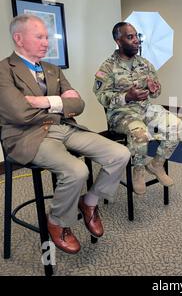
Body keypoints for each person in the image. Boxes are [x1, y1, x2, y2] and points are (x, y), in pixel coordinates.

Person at [0, 14, 131, 254]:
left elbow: (79, 105)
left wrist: (43, 101)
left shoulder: (52, 69)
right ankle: (57, 222)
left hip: (65, 127)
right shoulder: (3, 70)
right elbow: (19, 113)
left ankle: (89, 202)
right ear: (18, 38)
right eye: (39, 36)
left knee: (120, 153)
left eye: (47, 37)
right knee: (77, 170)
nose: (45, 42)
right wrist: (61, 103)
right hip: (28, 136)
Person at [93, 22, 182, 195]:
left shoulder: (145, 64)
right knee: (140, 133)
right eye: (130, 37)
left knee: (177, 126)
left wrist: (154, 88)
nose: (136, 41)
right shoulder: (107, 67)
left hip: (145, 109)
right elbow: (101, 96)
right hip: (121, 114)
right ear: (118, 41)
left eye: (137, 36)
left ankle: (156, 164)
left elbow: (157, 91)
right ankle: (138, 171)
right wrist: (127, 96)